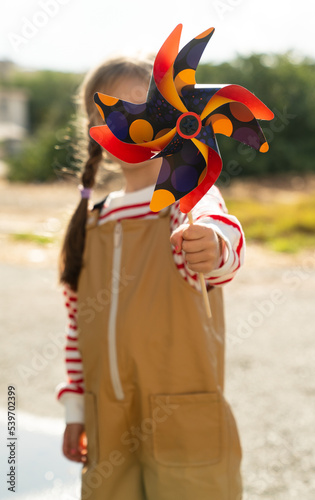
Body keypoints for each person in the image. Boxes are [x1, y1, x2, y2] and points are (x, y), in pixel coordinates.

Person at [56, 55, 245, 500]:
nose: (135, 122)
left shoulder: (187, 199)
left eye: (146, 107)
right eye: (116, 110)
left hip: (183, 412)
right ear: (95, 129)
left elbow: (224, 240)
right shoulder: (91, 222)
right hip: (108, 418)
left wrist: (214, 245)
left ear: (173, 116)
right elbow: (75, 328)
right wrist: (76, 408)